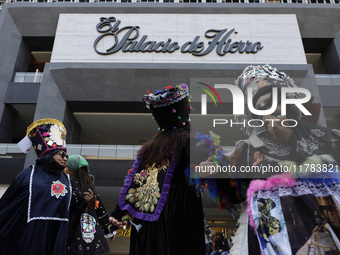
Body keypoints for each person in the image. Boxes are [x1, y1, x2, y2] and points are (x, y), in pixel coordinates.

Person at [197, 65, 340, 255]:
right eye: (262, 107)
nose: (271, 111)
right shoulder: (247, 150)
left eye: (274, 102)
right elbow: (236, 194)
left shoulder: (329, 138)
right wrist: (215, 174)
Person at [109, 84, 205, 255]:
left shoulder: (150, 149)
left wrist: (116, 215)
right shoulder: (189, 141)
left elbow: (133, 186)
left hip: (150, 218)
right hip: (178, 213)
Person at [0, 118, 71, 255]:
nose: (65, 158)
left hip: (56, 238)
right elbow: (7, 203)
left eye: (66, 155)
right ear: (49, 155)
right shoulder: (28, 175)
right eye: (61, 154)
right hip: (30, 238)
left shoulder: (67, 179)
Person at [64, 154, 111, 254]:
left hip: (74, 234)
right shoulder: (89, 185)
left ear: (73, 169)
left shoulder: (68, 183)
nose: (64, 168)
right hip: (93, 236)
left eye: (67, 166)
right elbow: (101, 210)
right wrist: (108, 230)